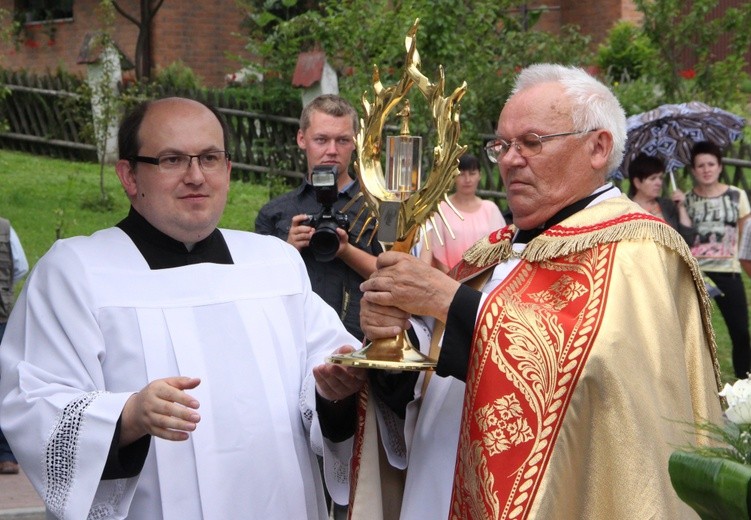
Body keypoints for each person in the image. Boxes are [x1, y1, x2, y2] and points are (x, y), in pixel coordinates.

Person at [354, 64, 723, 519]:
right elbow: (436, 385)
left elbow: (597, 376)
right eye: (502, 145)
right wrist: (395, 344)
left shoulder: (638, 249)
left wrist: (448, 302)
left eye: (531, 143)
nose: (510, 159)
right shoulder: (489, 253)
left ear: (597, 146)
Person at [0, 97, 367, 519]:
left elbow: (328, 375)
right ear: (129, 175)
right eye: (172, 159)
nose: (196, 176)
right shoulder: (76, 272)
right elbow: (33, 406)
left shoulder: (274, 264)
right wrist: (128, 415)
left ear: (228, 170)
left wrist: (334, 392)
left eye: (210, 158)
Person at [255, 94, 382, 341]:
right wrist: (288, 250)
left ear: (356, 141)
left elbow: (396, 278)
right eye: (321, 140)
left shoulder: (382, 208)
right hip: (293, 338)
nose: (332, 151)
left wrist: (345, 250)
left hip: (361, 341)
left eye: (342, 140)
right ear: (302, 139)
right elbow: (258, 287)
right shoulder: (275, 212)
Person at [684, 140, 751, 379]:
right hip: (698, 275)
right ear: (693, 170)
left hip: (729, 272)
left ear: (720, 166)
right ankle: (699, 385)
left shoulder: (737, 195)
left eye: (711, 164)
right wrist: (679, 206)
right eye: (700, 165)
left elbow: (746, 238)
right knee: (696, 335)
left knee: (741, 331)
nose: (706, 169)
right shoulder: (687, 200)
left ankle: (745, 384)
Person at [419, 153, 505, 273]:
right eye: (462, 174)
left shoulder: (490, 209)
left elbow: (499, 248)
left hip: (484, 278)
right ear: (453, 177)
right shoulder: (440, 209)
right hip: (446, 279)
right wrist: (454, 280)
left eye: (472, 173)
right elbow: (435, 250)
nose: (467, 180)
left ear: (480, 175)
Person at [0, 217, 28, 475]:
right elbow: (20, 266)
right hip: (1, 316)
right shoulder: (6, 228)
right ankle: (7, 457)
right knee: (5, 386)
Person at [627, 153, 695, 243]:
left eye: (660, 178)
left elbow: (689, 239)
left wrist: (681, 207)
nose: (659, 183)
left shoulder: (667, 205)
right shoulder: (627, 209)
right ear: (637, 182)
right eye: (653, 178)